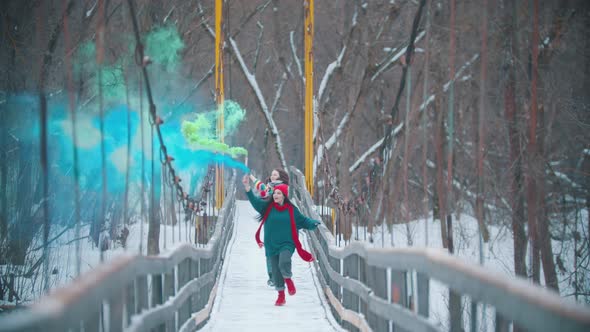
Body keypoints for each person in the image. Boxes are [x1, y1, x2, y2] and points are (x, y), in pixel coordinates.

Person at [242, 175, 320, 306]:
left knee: (284, 262)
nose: (275, 195)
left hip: (287, 243)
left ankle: (288, 280)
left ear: (284, 195)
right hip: (271, 244)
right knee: (276, 271)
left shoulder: (291, 210)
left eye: (278, 193)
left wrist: (314, 223)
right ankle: (281, 296)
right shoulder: (267, 207)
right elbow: (255, 202)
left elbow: (303, 221)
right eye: (274, 193)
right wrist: (247, 187)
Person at [248, 168, 290, 287]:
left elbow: (262, 187)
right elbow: (259, 185)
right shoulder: (268, 187)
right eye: (271, 174)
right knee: (270, 250)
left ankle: (280, 275)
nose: (272, 176)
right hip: (269, 222)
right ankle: (272, 276)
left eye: (275, 175)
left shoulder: (283, 189)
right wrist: (250, 176)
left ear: (280, 177)